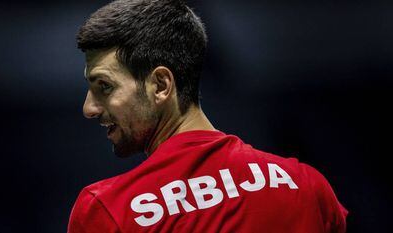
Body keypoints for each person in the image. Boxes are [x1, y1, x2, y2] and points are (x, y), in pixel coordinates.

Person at [67, 0, 348, 232]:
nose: (89, 108)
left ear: (161, 85)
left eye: (104, 86)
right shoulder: (307, 186)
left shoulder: (107, 211)